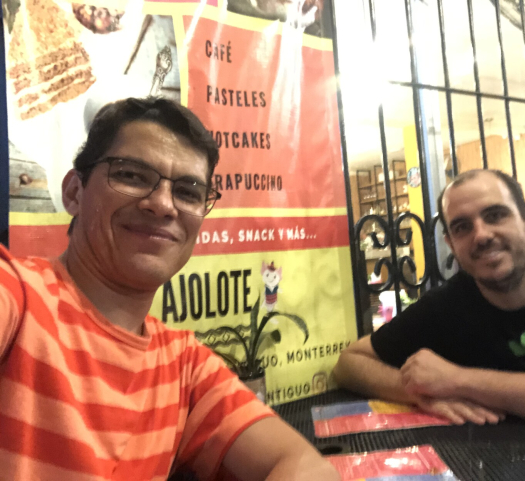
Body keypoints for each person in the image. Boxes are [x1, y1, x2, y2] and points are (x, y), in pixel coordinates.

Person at [0, 97, 339, 480]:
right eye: (131, 175)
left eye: (188, 192)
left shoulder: (183, 364)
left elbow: (308, 467)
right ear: (75, 192)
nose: (163, 205)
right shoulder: (19, 294)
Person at [333, 169, 525, 434]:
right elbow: (349, 364)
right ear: (451, 244)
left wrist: (457, 380)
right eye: (462, 227)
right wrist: (419, 393)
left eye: (495, 215)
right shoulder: (447, 304)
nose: (480, 235)